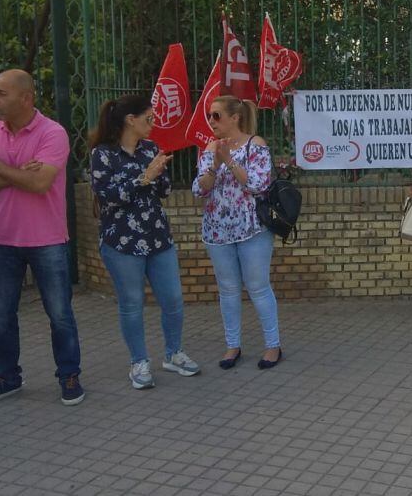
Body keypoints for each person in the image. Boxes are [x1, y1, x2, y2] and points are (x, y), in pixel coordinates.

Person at [0, 69, 84, 406]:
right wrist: (15, 174)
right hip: (1, 239)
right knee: (0, 314)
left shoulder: (53, 133)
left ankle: (69, 374)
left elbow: (39, 184)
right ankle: (6, 377)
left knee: (59, 312)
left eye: (1, 93)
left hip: (47, 238)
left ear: (26, 97)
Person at [90, 94, 201, 389]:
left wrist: (159, 173)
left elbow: (163, 191)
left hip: (157, 236)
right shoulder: (103, 154)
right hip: (122, 241)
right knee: (132, 303)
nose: (153, 124)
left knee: (173, 299)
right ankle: (139, 361)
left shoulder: (151, 148)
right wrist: (144, 177)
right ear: (131, 120)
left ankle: (173, 353)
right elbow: (107, 197)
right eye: (149, 119)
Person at [193, 95, 282, 369]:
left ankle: (273, 345)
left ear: (235, 118)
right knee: (228, 289)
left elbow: (258, 184)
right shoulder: (210, 148)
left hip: (251, 229)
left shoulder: (256, 145)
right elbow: (199, 189)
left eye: (216, 115)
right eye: (209, 116)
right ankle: (232, 345)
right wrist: (215, 164)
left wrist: (230, 160)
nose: (211, 121)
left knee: (258, 287)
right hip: (217, 230)